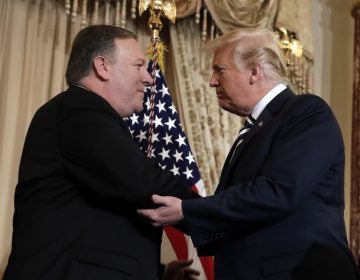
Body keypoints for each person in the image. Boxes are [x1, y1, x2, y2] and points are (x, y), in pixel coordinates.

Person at [138, 27, 360, 279]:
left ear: (254, 71)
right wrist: (176, 210)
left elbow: (278, 192)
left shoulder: (306, 112)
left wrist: (187, 211)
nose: (212, 81)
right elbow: (239, 210)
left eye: (219, 70)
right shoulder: (258, 127)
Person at [3, 25, 200, 280]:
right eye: (138, 65)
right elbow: (140, 182)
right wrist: (213, 213)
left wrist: (158, 273)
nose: (149, 78)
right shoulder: (79, 109)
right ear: (102, 66)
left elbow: (88, 223)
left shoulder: (83, 115)